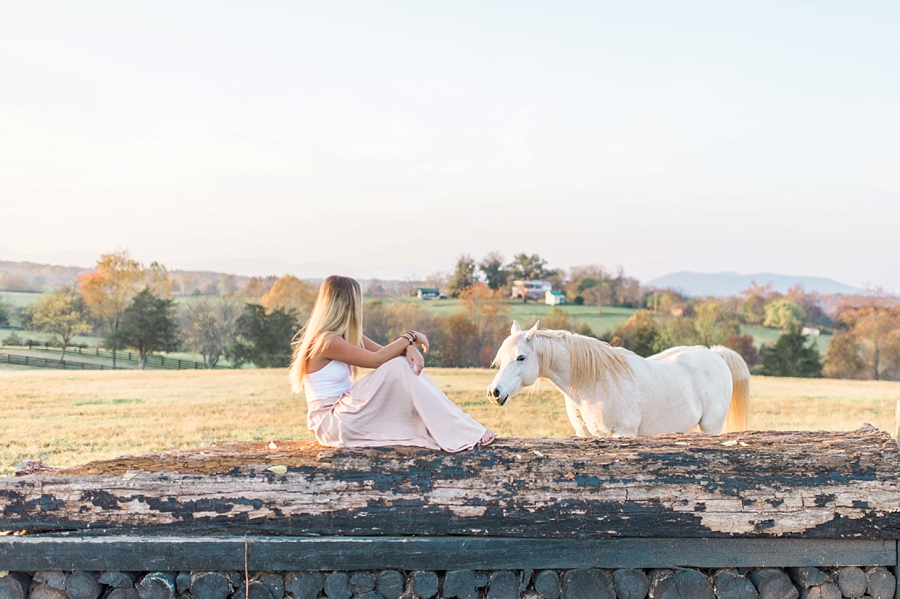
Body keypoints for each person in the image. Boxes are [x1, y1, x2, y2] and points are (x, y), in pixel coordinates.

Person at [289, 275, 495, 452]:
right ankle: (459, 430)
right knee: (398, 366)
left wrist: (408, 348)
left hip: (345, 410)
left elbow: (385, 352)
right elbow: (378, 360)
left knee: (401, 365)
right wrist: (411, 337)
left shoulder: (345, 336)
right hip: (331, 422)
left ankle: (458, 426)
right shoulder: (325, 341)